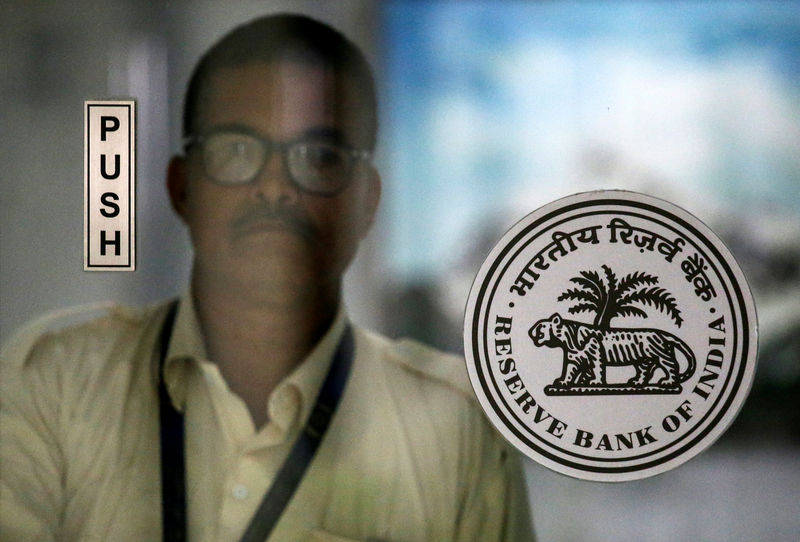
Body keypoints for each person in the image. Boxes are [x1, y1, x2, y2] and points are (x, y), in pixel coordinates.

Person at [1, 14, 534, 542]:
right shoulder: (54, 385)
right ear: (182, 188)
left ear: (366, 201)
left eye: (319, 157)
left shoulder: (460, 429)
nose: (275, 188)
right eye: (236, 150)